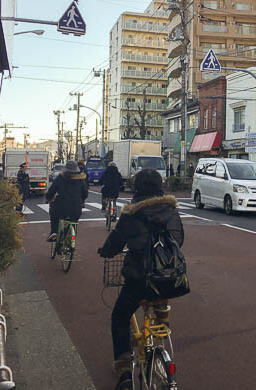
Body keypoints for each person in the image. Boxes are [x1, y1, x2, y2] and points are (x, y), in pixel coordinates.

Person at [98, 169, 184, 390]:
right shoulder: (171, 210)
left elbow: (116, 241)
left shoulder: (132, 213)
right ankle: (162, 317)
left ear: (137, 187)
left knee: (120, 316)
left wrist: (106, 251)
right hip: (169, 278)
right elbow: (179, 239)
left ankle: (125, 370)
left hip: (140, 279)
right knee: (160, 299)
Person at [44, 160, 88, 242]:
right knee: (74, 221)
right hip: (76, 207)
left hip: (61, 207)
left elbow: (52, 190)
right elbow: (85, 193)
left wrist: (49, 198)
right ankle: (71, 238)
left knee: (54, 214)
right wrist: (81, 201)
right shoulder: (80, 179)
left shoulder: (60, 178)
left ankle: (54, 232)